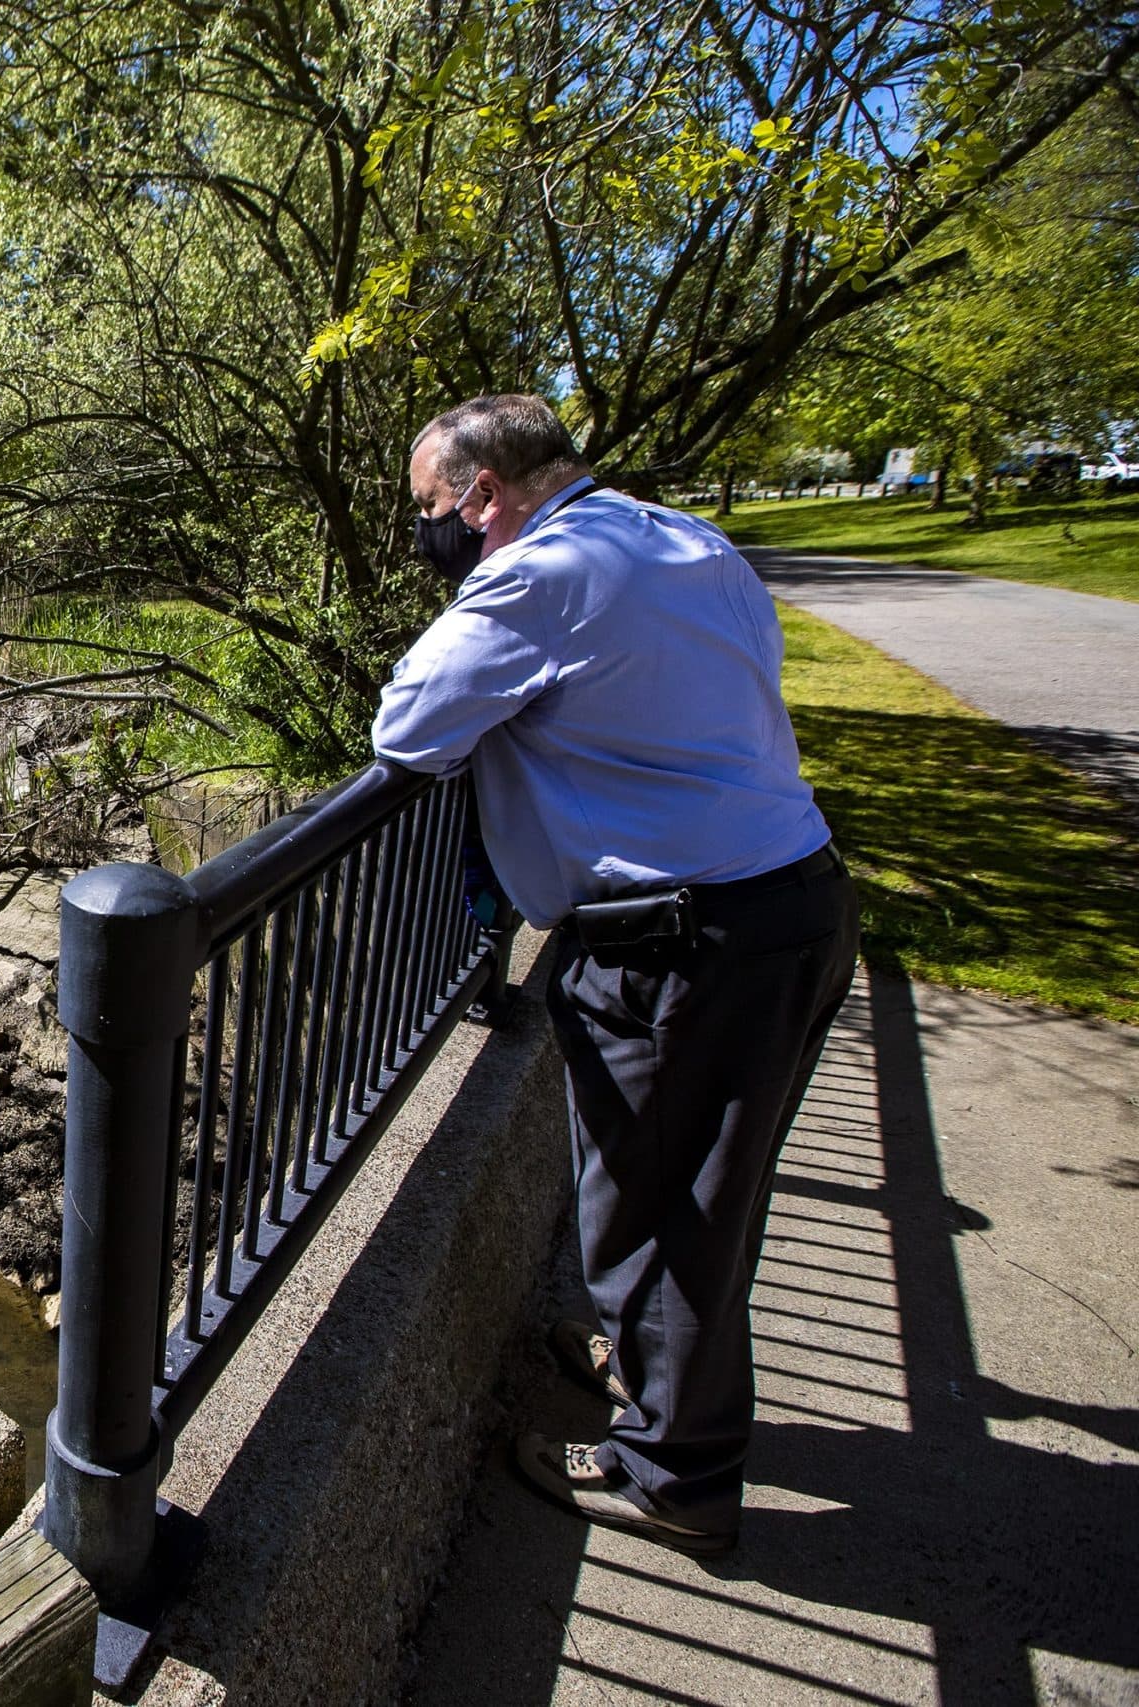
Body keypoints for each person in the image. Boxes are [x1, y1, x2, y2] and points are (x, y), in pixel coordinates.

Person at [372, 394, 859, 1555]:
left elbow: (408, 726)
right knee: (688, 1188)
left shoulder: (542, 574)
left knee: (668, 1204)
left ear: (485, 494)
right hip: (794, 903)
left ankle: (671, 1475)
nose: (430, 535)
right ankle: (647, 1368)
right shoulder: (681, 537)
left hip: (690, 947)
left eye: (431, 511)